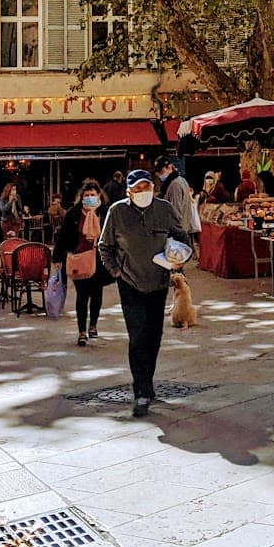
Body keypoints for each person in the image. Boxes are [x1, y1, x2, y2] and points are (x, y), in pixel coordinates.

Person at [98, 169, 190, 416]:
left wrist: (180, 259)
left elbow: (182, 237)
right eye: (137, 188)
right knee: (137, 336)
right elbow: (104, 247)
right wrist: (117, 272)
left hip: (159, 282)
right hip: (130, 283)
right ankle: (141, 390)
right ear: (129, 191)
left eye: (146, 187)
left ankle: (147, 382)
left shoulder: (164, 209)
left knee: (154, 336)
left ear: (153, 188)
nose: (142, 192)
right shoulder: (116, 212)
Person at [53, 179, 111, 347]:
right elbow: (63, 236)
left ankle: (93, 324)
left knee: (97, 294)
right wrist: (57, 258)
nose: (90, 198)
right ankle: (81, 331)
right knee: (82, 296)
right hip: (79, 259)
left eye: (93, 195)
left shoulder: (105, 213)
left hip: (99, 260)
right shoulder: (74, 213)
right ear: (82, 197)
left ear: (99, 196)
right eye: (87, 195)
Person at [155, 157, 196, 235]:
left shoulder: (174, 184)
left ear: (169, 167)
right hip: (182, 228)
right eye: (158, 172)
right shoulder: (181, 180)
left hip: (177, 232)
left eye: (161, 171)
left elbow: (176, 212)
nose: (159, 174)